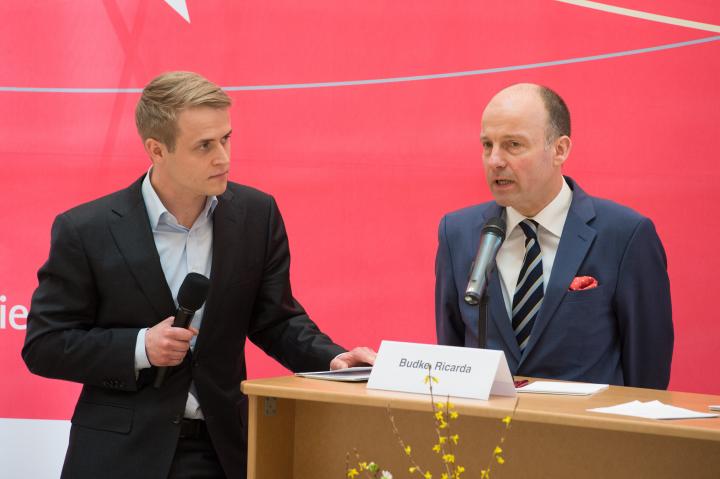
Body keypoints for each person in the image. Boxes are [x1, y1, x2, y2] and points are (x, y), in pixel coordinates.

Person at [22, 71, 375, 479]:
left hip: (222, 451)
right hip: (118, 456)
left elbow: (276, 319)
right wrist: (140, 347)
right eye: (204, 146)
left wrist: (333, 360)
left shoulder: (256, 215)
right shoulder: (87, 229)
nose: (223, 157)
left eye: (226, 138)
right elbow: (45, 344)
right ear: (157, 150)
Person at [435, 83, 673, 389]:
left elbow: (647, 373)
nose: (495, 160)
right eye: (487, 145)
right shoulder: (458, 234)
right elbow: (452, 356)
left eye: (513, 145)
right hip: (489, 433)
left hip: (588, 433)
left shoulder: (625, 235)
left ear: (559, 150)